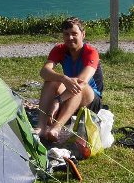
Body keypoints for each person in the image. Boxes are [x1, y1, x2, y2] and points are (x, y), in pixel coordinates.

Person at [35, 17, 103, 145]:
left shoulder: (90, 52)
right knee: (51, 81)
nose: (70, 38)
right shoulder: (60, 49)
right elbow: (44, 72)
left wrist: (58, 100)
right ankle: (42, 127)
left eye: (74, 34)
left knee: (79, 86)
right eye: (66, 34)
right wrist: (63, 78)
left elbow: (82, 81)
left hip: (90, 99)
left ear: (83, 34)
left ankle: (56, 128)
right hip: (69, 96)